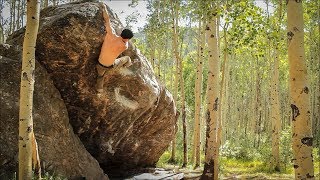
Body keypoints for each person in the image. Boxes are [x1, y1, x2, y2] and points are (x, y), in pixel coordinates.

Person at [96, 2, 134, 94]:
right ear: (127, 39)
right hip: (111, 66)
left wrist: (104, 7)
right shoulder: (124, 46)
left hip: (99, 64)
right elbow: (125, 42)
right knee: (127, 58)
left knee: (100, 76)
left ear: (121, 33)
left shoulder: (110, 35)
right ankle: (126, 67)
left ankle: (99, 90)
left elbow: (107, 19)